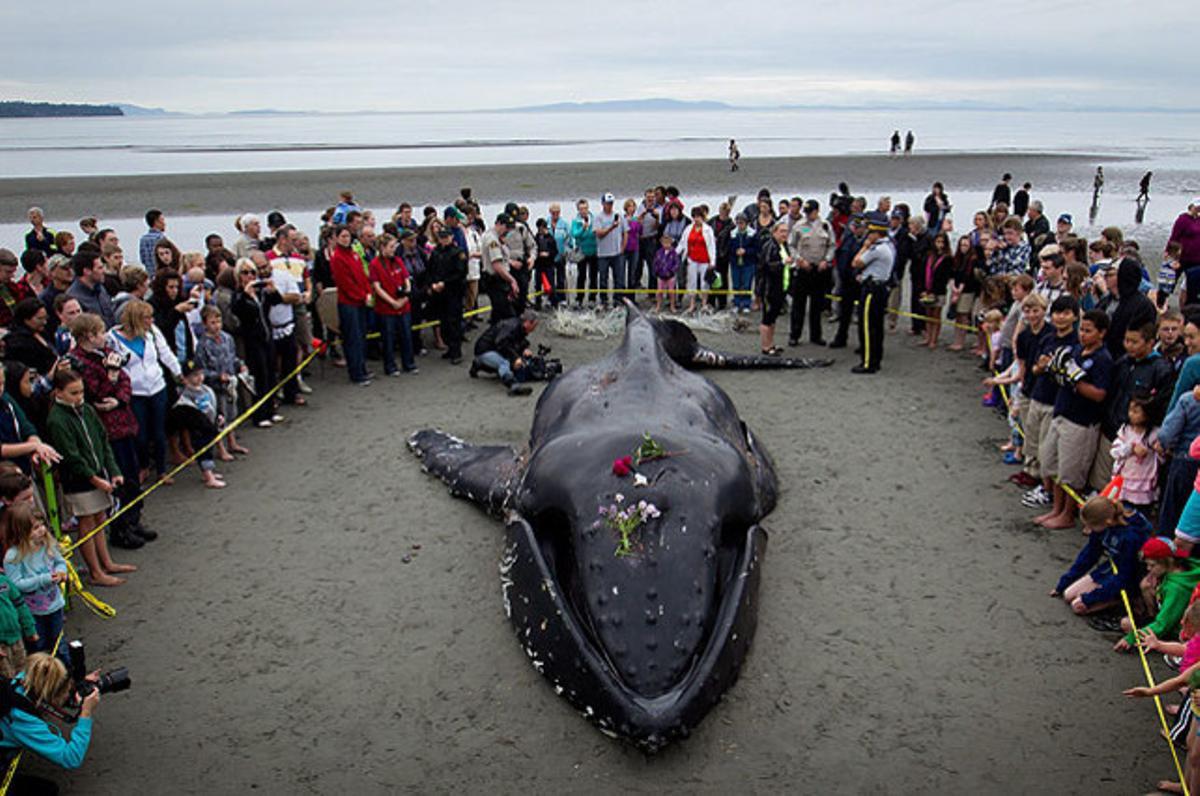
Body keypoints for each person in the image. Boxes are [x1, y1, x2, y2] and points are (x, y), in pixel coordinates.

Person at [66, 313, 152, 549]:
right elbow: (96, 393)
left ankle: (135, 520)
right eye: (100, 332)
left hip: (124, 421)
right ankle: (121, 528)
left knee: (132, 476)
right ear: (88, 335)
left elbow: (126, 380)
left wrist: (120, 399)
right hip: (106, 430)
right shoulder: (78, 362)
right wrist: (111, 379)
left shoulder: (105, 353)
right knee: (119, 478)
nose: (104, 336)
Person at [43, 369, 136, 587]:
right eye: (73, 393)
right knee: (87, 522)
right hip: (78, 481)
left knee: (100, 519)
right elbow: (71, 457)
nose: (79, 397)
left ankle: (107, 563)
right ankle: (96, 571)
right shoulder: (57, 419)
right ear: (58, 392)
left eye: (81, 392)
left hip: (98, 472)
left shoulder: (86, 410)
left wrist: (113, 470)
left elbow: (103, 440)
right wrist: (95, 479)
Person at [1034, 309, 1112, 529]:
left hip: (1081, 422)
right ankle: (1056, 509)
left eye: (1088, 331)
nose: (1082, 334)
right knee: (1052, 464)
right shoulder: (1077, 351)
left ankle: (1067, 514)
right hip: (1062, 413)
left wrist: (1074, 380)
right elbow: (1060, 374)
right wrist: (1053, 368)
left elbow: (1099, 394)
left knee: (1071, 473)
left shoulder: (1103, 360)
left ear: (1102, 333)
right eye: (1081, 329)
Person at [107, 300, 183, 480]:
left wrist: (178, 373)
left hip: (157, 387)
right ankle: (143, 465)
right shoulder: (112, 339)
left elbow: (165, 353)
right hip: (134, 393)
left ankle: (162, 470)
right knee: (139, 434)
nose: (151, 321)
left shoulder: (152, 333)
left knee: (158, 431)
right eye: (147, 318)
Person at [1050, 492, 1152, 615]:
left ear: (1107, 522)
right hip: (1113, 566)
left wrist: (1090, 598)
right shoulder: (1102, 526)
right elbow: (1088, 555)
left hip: (1131, 574)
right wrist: (1063, 583)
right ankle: (1106, 596)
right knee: (1068, 595)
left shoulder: (1130, 538)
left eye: (1091, 527)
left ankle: (1122, 599)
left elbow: (1125, 575)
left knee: (1078, 606)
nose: (1088, 530)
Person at [0, 652, 101, 776]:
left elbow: (47, 686)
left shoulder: (25, 678)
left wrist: (81, 683)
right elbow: (70, 759)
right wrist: (85, 714)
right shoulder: (23, 720)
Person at [1114, 537, 1200, 652]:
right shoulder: (1177, 569)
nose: (1148, 569)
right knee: (1145, 586)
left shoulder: (1176, 589)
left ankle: (1158, 635)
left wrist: (1131, 639)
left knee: (1126, 624)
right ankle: (1150, 620)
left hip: (1177, 629)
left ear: (1167, 561)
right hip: (1169, 617)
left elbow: (1164, 623)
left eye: (1152, 565)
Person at [1, 503, 67, 652]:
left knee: (58, 642)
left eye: (42, 524)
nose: (42, 530)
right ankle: (42, 674)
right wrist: (44, 579)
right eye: (36, 528)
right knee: (38, 645)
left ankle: (65, 669)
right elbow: (16, 584)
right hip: (32, 612)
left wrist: (62, 572)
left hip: (55, 604)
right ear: (20, 531)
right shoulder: (13, 556)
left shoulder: (46, 543)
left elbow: (60, 562)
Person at [367, 234, 417, 377]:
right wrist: (392, 302)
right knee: (388, 338)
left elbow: (406, 279)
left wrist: (406, 295)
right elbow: (377, 287)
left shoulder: (398, 260)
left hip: (403, 305)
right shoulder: (375, 264)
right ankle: (390, 366)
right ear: (382, 247)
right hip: (386, 308)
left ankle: (409, 363)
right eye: (391, 247)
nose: (394, 249)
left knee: (406, 335)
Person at [329, 225, 373, 386]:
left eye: (347, 236)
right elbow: (345, 283)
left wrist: (367, 292)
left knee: (361, 336)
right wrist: (362, 296)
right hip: (349, 303)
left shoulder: (354, 254)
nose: (346, 239)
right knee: (352, 338)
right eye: (343, 237)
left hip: (360, 301)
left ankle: (362, 367)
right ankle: (356, 372)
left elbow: (362, 275)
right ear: (336, 238)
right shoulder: (337, 258)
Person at [171, 361, 225, 489]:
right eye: (195, 375)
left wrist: (219, 415)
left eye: (201, 374)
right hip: (199, 429)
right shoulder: (185, 397)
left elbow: (214, 404)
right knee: (203, 450)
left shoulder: (206, 390)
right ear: (185, 379)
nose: (200, 377)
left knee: (209, 449)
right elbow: (191, 415)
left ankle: (209, 472)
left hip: (210, 424)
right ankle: (208, 476)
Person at [786, 199, 834, 346]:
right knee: (798, 305)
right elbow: (791, 245)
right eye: (806, 212)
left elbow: (832, 245)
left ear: (817, 211)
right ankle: (795, 335)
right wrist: (799, 259)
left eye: (810, 212)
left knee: (817, 305)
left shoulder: (825, 225)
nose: (808, 215)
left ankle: (816, 335)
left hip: (819, 269)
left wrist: (827, 260)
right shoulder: (799, 226)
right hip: (803, 268)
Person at [850, 214, 894, 374]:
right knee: (876, 327)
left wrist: (865, 246)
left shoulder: (877, 249)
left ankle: (868, 362)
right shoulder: (889, 245)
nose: (868, 235)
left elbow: (856, 262)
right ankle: (875, 359)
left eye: (871, 233)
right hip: (880, 288)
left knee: (867, 327)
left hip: (872, 289)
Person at [426, 227, 468, 365]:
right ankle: (450, 348)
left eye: (446, 237)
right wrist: (432, 284)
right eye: (441, 237)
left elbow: (460, 273)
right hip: (440, 294)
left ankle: (456, 351)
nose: (444, 240)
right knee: (443, 323)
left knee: (454, 323)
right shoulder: (436, 252)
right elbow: (430, 270)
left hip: (453, 292)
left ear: (451, 237)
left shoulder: (458, 253)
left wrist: (445, 283)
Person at [1110, 396, 1161, 511]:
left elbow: (1161, 456)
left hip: (1144, 477)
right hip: (1125, 477)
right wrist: (1131, 448)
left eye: (1136, 412)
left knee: (1141, 509)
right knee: (1122, 507)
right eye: (1130, 410)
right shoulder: (1125, 431)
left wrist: (1158, 450)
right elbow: (1114, 451)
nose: (1131, 414)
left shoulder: (1154, 434)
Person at [468, 312, 537, 396]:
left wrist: (524, 349)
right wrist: (515, 358)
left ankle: (479, 364)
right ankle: (512, 385)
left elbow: (515, 341)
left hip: (493, 348)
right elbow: (501, 343)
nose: (535, 328)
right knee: (504, 363)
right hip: (485, 350)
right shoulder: (512, 326)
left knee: (509, 363)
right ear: (527, 323)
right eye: (534, 325)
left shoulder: (518, 326)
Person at [676, 207, 715, 314]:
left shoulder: (708, 229)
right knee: (692, 282)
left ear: (702, 217)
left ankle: (704, 304)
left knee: (704, 283)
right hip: (692, 259)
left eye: (698, 217)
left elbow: (712, 246)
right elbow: (682, 243)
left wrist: (712, 262)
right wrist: (675, 254)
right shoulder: (688, 228)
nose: (696, 219)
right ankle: (692, 304)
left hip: (705, 260)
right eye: (694, 217)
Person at [758, 222, 789, 356]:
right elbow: (767, 266)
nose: (784, 234)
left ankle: (771, 344)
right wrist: (783, 263)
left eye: (786, 231)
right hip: (769, 287)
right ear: (774, 232)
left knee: (773, 317)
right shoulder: (769, 246)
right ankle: (765, 347)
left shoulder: (782, 246)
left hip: (780, 286)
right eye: (781, 231)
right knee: (767, 318)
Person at [481, 214, 520, 322]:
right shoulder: (492, 240)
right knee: (507, 316)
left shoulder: (494, 237)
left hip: (498, 279)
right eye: (506, 227)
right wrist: (512, 280)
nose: (508, 231)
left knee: (498, 315)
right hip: (495, 280)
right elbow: (497, 265)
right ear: (498, 224)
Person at [0, 565, 36, 680]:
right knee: (7, 677)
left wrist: (29, 628)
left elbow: (20, 605)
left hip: (16, 637)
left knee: (22, 671)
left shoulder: (4, 581)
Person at [919, 233, 953, 349]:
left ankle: (934, 339)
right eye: (937, 242)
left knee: (936, 315)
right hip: (927, 288)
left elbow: (944, 278)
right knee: (928, 314)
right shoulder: (929, 256)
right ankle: (928, 337)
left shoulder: (948, 258)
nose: (939, 245)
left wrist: (934, 291)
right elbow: (923, 273)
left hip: (939, 291)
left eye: (942, 242)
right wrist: (924, 289)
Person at [593, 194, 626, 309]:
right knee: (603, 279)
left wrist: (623, 247)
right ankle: (604, 301)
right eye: (607, 203)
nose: (609, 206)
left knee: (619, 279)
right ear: (603, 204)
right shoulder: (598, 218)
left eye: (611, 203)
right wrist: (612, 227)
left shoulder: (619, 216)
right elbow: (599, 234)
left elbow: (625, 232)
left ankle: (618, 301)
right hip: (603, 254)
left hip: (617, 253)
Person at [728, 214, 758, 314]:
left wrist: (746, 251)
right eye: (738, 223)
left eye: (742, 223)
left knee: (746, 284)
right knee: (736, 283)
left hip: (748, 263)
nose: (740, 225)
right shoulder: (733, 234)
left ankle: (746, 303)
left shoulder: (752, 234)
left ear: (746, 223)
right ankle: (736, 303)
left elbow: (756, 249)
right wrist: (735, 251)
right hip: (735, 262)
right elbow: (729, 247)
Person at [654, 234, 681, 314]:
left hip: (670, 276)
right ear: (661, 243)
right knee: (659, 292)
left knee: (671, 292)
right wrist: (657, 271)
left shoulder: (674, 253)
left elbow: (677, 263)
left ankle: (672, 306)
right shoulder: (658, 252)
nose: (666, 245)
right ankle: (658, 306)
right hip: (661, 275)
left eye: (668, 243)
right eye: (664, 243)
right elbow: (655, 263)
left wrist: (672, 271)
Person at [1171, 199, 1200, 270]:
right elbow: (1174, 237)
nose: (1198, 209)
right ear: (1191, 207)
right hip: (1183, 256)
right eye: (1196, 207)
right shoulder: (1183, 219)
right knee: (1172, 277)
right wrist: (1172, 255)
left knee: (1194, 279)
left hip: (1197, 258)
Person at [138, 209, 166, 275]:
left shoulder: (143, 239)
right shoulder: (161, 238)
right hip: (161, 274)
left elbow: (143, 259)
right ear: (156, 222)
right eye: (162, 220)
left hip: (149, 274)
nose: (164, 223)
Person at [1158, 242, 1184, 310]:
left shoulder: (1166, 258)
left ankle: (1161, 304)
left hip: (1163, 277)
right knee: (1165, 293)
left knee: (1162, 292)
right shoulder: (1172, 261)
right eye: (1179, 250)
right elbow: (1177, 266)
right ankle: (1162, 305)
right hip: (1167, 279)